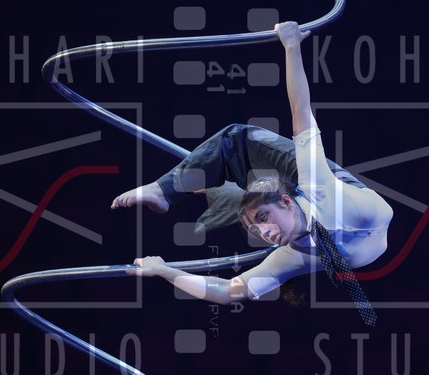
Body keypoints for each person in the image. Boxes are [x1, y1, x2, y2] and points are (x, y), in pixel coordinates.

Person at [111, 21, 394, 306]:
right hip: (342, 212)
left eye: (262, 221)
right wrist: (164, 271)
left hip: (337, 205)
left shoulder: (308, 218)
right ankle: (193, 188)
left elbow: (228, 291)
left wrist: (291, 46)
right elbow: (231, 291)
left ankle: (175, 189)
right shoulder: (304, 224)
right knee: (242, 164)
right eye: (257, 229)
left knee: (237, 143)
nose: (264, 234)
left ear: (286, 202)